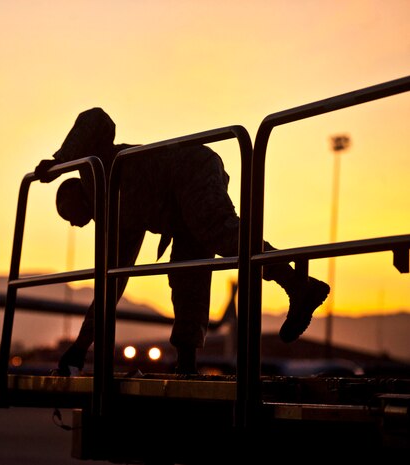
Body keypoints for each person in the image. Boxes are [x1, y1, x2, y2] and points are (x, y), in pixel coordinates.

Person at [35, 107, 330, 375]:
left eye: (69, 214)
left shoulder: (99, 169)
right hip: (179, 208)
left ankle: (296, 284)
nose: (74, 224)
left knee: (219, 232)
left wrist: (62, 160)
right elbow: (110, 285)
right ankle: (187, 364)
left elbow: (96, 118)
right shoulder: (120, 223)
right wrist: (80, 347)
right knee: (187, 276)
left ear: (78, 194)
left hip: (189, 169)